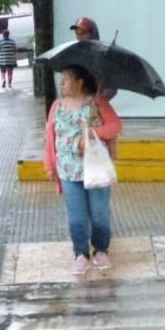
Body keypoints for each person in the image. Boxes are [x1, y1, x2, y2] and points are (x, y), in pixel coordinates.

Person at [43, 64, 121, 275]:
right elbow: (50, 137)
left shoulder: (97, 101)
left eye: (67, 79)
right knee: (76, 217)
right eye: (62, 80)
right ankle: (80, 254)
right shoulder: (56, 106)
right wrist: (49, 165)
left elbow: (114, 126)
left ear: (79, 82)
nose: (62, 83)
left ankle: (101, 250)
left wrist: (92, 134)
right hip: (68, 171)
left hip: (95, 169)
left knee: (99, 215)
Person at [69, 17, 116, 100]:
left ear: (92, 34)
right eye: (77, 34)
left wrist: (99, 97)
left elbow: (112, 89)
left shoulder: (103, 57)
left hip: (96, 103)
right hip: (77, 102)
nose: (79, 37)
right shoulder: (74, 56)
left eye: (83, 33)